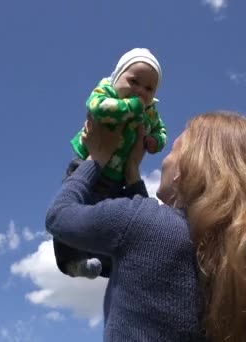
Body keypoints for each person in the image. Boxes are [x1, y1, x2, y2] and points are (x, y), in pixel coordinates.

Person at [45, 111, 246, 341]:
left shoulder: (147, 227)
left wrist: (95, 158)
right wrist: (132, 175)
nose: (165, 159)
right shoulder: (234, 261)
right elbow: (151, 249)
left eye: (174, 150)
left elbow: (60, 216)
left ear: (187, 169)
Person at [53, 47, 167, 279]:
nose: (140, 91)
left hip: (118, 179)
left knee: (114, 221)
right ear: (117, 77)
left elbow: (160, 129)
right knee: (74, 209)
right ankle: (71, 261)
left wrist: (155, 140)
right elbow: (98, 108)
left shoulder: (150, 111)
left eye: (148, 88)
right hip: (88, 166)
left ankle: (107, 265)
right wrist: (131, 108)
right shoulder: (106, 91)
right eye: (134, 81)